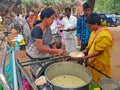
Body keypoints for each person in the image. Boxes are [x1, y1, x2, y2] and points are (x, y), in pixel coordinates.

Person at [26, 8, 66, 78]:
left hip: (43, 55)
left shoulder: (48, 28)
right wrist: (56, 51)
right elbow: (40, 48)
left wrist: (58, 53)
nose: (53, 21)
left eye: (54, 19)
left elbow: (52, 43)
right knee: (38, 75)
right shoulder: (37, 29)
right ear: (45, 18)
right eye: (52, 18)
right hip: (35, 56)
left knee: (47, 72)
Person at [78, 13, 113, 83]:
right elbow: (89, 46)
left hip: (100, 63)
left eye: (90, 26)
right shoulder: (93, 32)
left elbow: (99, 51)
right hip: (93, 61)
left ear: (96, 24)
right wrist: (82, 52)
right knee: (92, 79)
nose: (89, 28)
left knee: (100, 81)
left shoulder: (104, 35)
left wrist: (85, 57)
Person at [76, 2, 92, 66]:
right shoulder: (80, 19)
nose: (87, 12)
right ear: (83, 10)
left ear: (90, 10)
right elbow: (78, 31)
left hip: (91, 41)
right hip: (83, 41)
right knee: (81, 55)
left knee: (88, 56)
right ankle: (79, 67)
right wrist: (78, 41)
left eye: (88, 10)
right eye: (86, 10)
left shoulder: (92, 19)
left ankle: (87, 67)